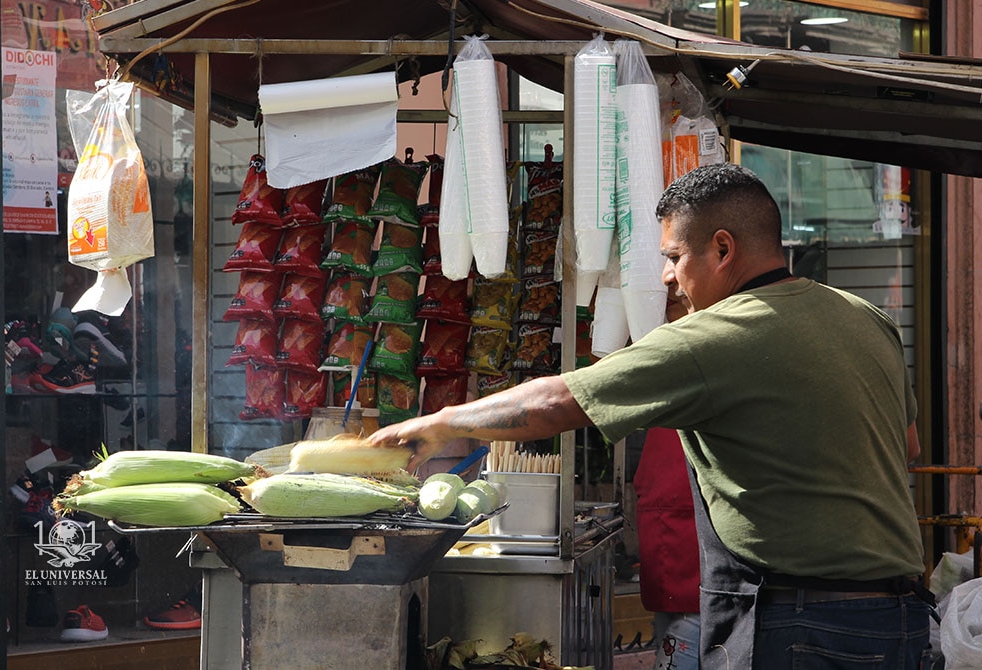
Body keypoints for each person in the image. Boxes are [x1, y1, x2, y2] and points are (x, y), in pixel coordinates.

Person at [370, 163, 934, 668]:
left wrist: (435, 423)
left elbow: (556, 402)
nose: (667, 278)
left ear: (722, 249)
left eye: (673, 257)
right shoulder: (866, 317)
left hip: (799, 625)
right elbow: (905, 448)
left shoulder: (718, 334)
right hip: (901, 619)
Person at [631, 286, 699, 670]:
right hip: (666, 519)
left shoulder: (708, 343)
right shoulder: (657, 340)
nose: (667, 283)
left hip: (698, 535)